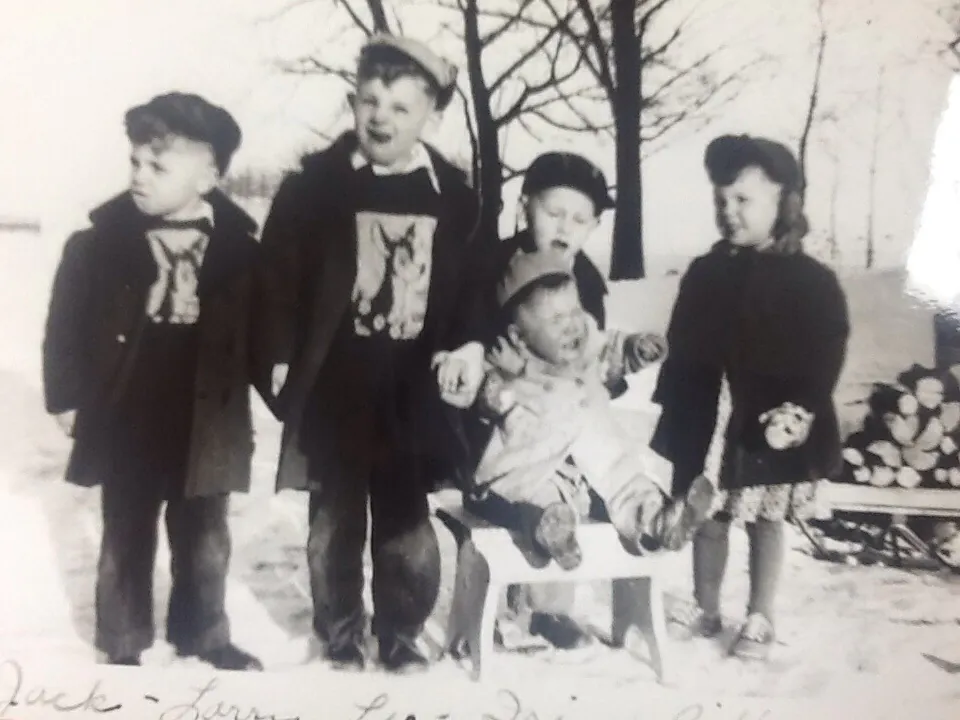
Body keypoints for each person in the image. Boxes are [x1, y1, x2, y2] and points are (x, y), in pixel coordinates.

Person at [254, 33, 489, 673]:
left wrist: (469, 344)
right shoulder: (313, 189)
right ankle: (340, 630)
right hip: (336, 390)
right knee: (332, 523)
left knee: (407, 526)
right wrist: (278, 352)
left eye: (401, 107)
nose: (380, 117)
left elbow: (473, 288)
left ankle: (402, 631)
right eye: (369, 101)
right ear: (353, 101)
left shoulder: (454, 197)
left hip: (411, 396)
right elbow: (275, 279)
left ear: (431, 117)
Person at [42, 92, 264, 670]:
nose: (139, 176)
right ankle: (122, 639)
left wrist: (286, 383)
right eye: (135, 162)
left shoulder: (240, 251)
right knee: (126, 530)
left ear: (208, 177)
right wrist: (65, 395)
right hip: (129, 412)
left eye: (158, 167)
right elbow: (64, 324)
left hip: (207, 417)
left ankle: (203, 633)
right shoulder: (99, 245)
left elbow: (265, 331)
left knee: (205, 536)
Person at [650, 134, 850, 661]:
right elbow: (683, 340)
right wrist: (673, 399)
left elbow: (826, 349)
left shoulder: (810, 280)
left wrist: (802, 405)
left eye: (743, 200)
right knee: (708, 513)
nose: (729, 211)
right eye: (722, 199)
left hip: (768, 420)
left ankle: (760, 614)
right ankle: (706, 606)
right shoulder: (705, 271)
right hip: (708, 415)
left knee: (765, 517)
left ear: (783, 203)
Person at [441, 151, 624, 650]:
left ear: (594, 226)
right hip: (498, 423)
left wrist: (602, 372)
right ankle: (487, 608)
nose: (565, 227)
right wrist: (488, 363)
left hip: (558, 421)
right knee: (507, 496)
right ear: (525, 207)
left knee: (565, 495)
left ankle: (550, 609)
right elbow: (468, 333)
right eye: (554, 212)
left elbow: (590, 352)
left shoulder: (586, 282)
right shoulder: (492, 266)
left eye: (579, 219)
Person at [466, 250, 716, 579]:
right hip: (536, 466)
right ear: (518, 336)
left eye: (574, 311)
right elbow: (486, 397)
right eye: (555, 320)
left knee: (629, 480)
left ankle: (659, 521)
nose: (570, 326)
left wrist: (635, 350)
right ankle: (552, 530)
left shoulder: (589, 348)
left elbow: (611, 350)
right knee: (544, 497)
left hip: (598, 458)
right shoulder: (507, 365)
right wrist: (502, 385)